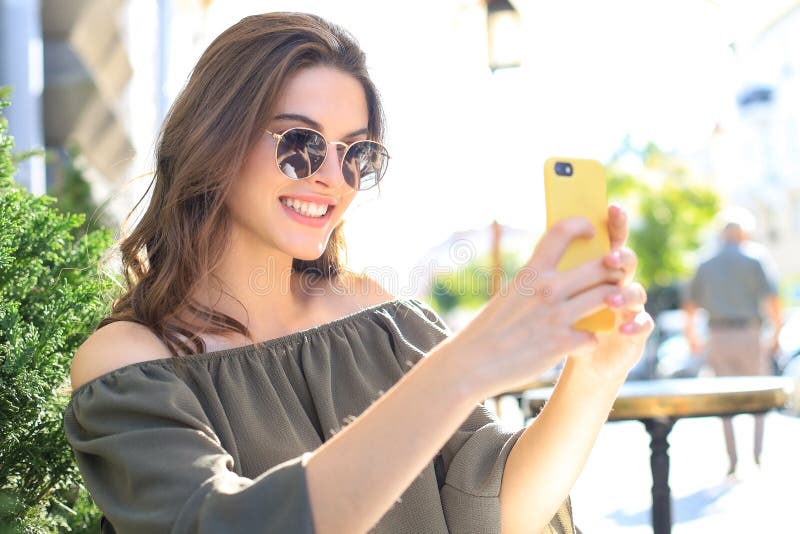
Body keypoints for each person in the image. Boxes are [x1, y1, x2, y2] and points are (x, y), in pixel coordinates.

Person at [63, 12, 653, 534]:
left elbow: (491, 515)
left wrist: (594, 374)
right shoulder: (128, 364)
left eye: (357, 153)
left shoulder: (380, 318)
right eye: (300, 141)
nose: (331, 177)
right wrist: (465, 366)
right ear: (214, 137)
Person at [683, 206, 783, 477]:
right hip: (749, 333)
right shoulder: (756, 258)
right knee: (758, 396)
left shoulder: (704, 263)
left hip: (717, 336)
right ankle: (757, 455)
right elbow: (773, 302)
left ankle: (733, 460)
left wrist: (692, 337)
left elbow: (689, 307)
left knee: (724, 401)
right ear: (744, 233)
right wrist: (775, 335)